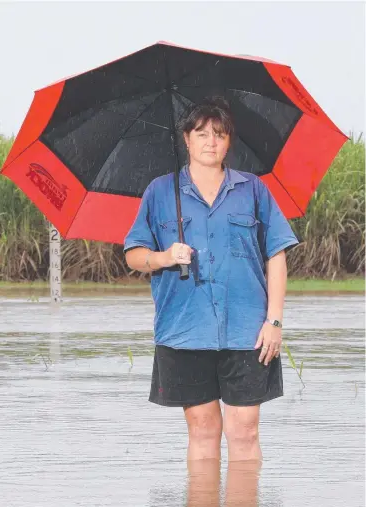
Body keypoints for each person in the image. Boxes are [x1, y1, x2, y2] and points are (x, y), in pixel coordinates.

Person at [124, 97, 299, 463]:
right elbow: (133, 255)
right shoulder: (160, 192)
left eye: (219, 134)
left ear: (229, 141)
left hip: (247, 329)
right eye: (201, 133)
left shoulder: (253, 189)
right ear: (185, 139)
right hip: (185, 329)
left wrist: (275, 321)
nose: (210, 142)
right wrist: (165, 257)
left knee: (246, 431)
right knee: (202, 431)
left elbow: (277, 254)